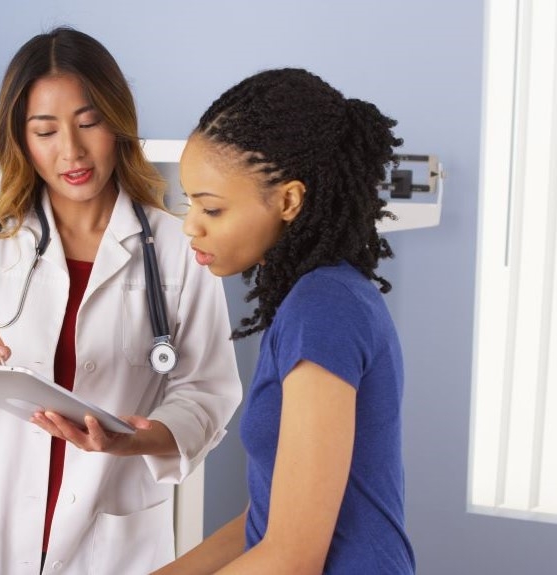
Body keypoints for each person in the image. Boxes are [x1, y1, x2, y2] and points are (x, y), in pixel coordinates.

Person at [0, 27, 241, 575]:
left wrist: (136, 441)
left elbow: (208, 391)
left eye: (89, 122)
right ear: (21, 138)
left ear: (117, 123)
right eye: (46, 130)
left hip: (113, 543)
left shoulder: (176, 248)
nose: (71, 151)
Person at [153, 68, 416, 574]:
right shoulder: (312, 299)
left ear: (289, 200)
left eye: (211, 208)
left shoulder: (325, 306)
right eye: (190, 203)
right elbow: (268, 521)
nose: (190, 225)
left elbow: (292, 558)